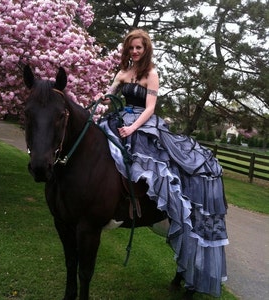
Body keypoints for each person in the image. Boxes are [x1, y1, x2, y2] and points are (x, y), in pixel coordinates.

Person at [97, 28, 229, 297]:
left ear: (146, 49)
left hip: (142, 125)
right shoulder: (122, 72)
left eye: (139, 48)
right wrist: (101, 101)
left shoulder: (151, 74)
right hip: (119, 120)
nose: (135, 51)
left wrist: (133, 128)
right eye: (131, 48)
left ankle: (164, 207)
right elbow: (108, 96)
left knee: (158, 168)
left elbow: (149, 109)